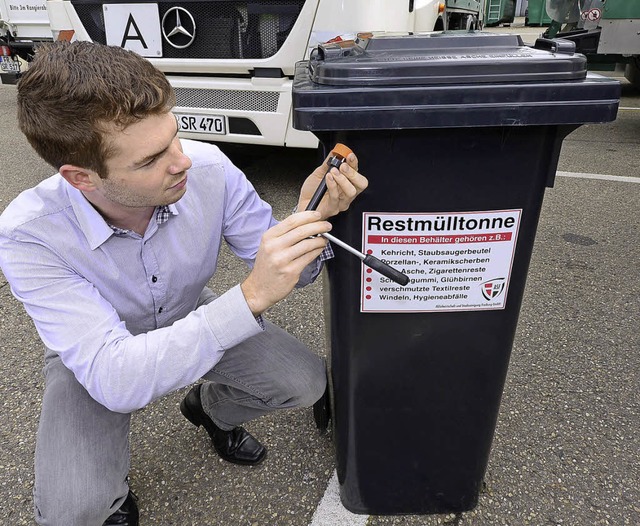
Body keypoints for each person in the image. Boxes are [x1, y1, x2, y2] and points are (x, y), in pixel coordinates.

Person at [0, 41, 367, 525]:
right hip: (99, 350)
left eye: (175, 135)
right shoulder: (30, 235)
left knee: (304, 382)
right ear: (81, 178)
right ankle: (106, 495)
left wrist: (309, 217)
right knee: (72, 513)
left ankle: (211, 408)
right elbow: (115, 378)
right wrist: (252, 295)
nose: (182, 161)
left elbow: (283, 267)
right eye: (151, 159)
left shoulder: (209, 168)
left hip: (186, 308)